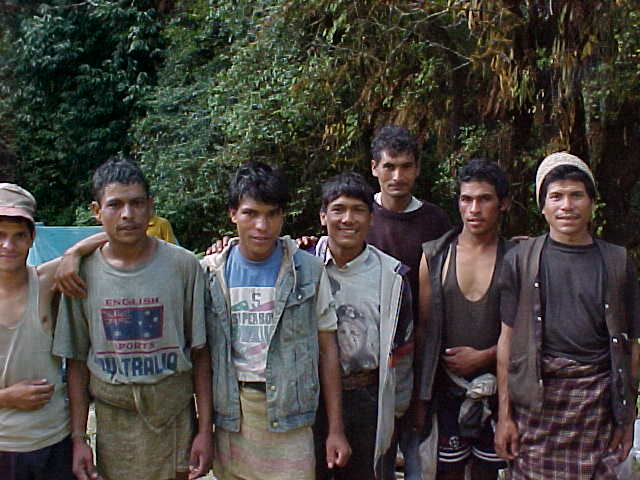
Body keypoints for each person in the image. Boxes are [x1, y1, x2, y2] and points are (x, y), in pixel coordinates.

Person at [52, 158, 213, 480]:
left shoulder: (183, 267)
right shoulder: (79, 275)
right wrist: (79, 438)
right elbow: (78, 363)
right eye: (116, 205)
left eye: (137, 203)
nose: (128, 214)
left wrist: (205, 430)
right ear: (96, 211)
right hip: (115, 423)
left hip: (174, 417)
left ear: (151, 207)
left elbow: (200, 354)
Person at [201, 161, 350, 480]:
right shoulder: (211, 274)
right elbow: (199, 354)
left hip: (292, 420)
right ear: (233, 214)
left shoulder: (308, 271)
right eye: (251, 213)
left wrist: (335, 429)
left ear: (283, 216)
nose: (261, 225)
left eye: (271, 214)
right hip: (233, 418)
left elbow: (328, 350)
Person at [494, 152, 640, 479]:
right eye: (556, 196)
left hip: (598, 408)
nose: (567, 206)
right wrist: (505, 416)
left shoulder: (618, 263)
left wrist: (627, 418)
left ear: (591, 203)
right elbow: (506, 341)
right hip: (537, 409)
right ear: (542, 206)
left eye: (577, 195)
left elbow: (632, 349)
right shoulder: (520, 260)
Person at [311, 172, 413, 479]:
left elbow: (404, 350)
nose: (347, 219)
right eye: (338, 209)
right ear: (323, 216)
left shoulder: (392, 276)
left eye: (358, 210)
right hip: (311, 399)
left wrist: (396, 412)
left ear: (371, 218)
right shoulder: (303, 265)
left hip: (367, 398)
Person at [0, 183, 106, 480]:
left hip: (53, 441)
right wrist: (6, 398)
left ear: (32, 238)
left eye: (18, 236)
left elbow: (119, 235)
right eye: (1, 236)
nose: (8, 246)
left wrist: (74, 252)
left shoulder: (45, 282)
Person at [367, 125, 450, 479]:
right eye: (389, 167)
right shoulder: (358, 216)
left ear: (417, 169)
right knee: (375, 459)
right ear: (374, 168)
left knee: (421, 459)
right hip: (367, 359)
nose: (397, 176)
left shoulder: (435, 220)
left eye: (406, 166)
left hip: (419, 357)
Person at [419, 159, 511, 479]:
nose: (474, 209)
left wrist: (484, 356)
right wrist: (420, 398)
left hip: (500, 392)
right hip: (446, 394)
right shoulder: (435, 255)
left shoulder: (516, 259)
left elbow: (527, 332)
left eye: (484, 199)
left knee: (489, 472)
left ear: (503, 203)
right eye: (466, 199)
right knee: (446, 472)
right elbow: (425, 330)